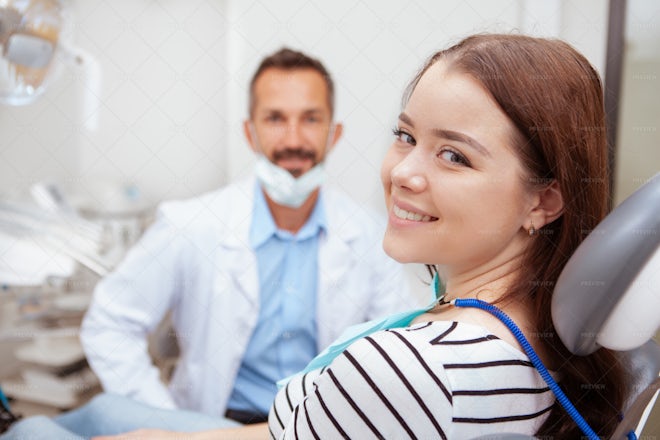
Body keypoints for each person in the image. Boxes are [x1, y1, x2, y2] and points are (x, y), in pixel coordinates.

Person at [2, 33, 626, 439]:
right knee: (95, 416)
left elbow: (376, 390)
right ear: (250, 134)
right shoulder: (536, 330)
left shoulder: (410, 358)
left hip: (316, 416)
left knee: (35, 434)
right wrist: (164, 422)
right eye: (407, 137)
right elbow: (112, 324)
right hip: (284, 417)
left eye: (454, 156)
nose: (405, 173)